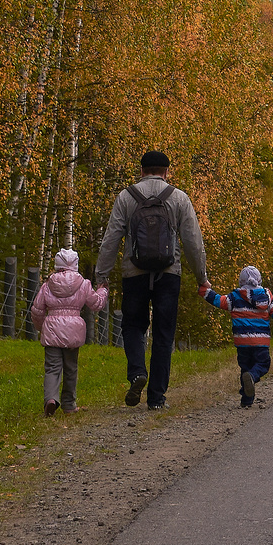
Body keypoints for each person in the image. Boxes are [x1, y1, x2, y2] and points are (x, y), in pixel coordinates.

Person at [96, 148, 211, 408]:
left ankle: (137, 372)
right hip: (169, 274)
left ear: (141, 171)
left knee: (133, 326)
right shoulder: (179, 198)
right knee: (163, 333)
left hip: (133, 272)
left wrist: (101, 276)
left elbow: (111, 239)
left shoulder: (126, 197)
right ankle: (157, 398)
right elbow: (194, 242)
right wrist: (201, 277)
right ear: (167, 172)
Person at [203, 263, 273, 407]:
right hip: (261, 342)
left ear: (241, 282)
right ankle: (252, 377)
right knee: (263, 364)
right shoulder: (267, 296)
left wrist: (205, 291)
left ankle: (246, 401)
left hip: (242, 342)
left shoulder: (235, 297)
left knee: (245, 367)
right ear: (259, 281)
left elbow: (219, 301)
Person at [30, 247, 108, 416]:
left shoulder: (47, 285)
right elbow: (96, 304)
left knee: (52, 368)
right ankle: (68, 404)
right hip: (73, 332)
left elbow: (37, 310)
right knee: (71, 368)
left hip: (52, 330)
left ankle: (50, 399)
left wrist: (41, 327)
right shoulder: (83, 284)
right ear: (75, 264)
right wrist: (103, 290)